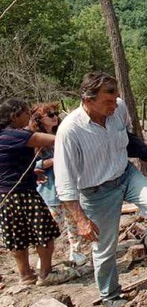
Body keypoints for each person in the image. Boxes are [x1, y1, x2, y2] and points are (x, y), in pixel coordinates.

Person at [54, 72, 147, 307]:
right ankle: (110, 294)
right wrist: (80, 220)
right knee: (104, 245)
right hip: (96, 191)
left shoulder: (118, 108)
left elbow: (127, 132)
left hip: (126, 174)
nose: (114, 105)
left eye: (115, 99)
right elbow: (64, 181)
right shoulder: (70, 131)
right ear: (87, 100)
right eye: (107, 101)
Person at [0, 98, 74, 286]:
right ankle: (46, 274)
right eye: (26, 113)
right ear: (14, 115)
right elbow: (57, 140)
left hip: (5, 194)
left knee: (17, 236)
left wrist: (32, 171)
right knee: (45, 232)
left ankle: (25, 275)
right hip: (23, 193)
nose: (29, 117)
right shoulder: (17, 135)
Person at [29, 103, 88, 266]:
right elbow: (32, 165)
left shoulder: (62, 134)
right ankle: (45, 260)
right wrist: (52, 161)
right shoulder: (34, 140)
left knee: (74, 223)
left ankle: (75, 252)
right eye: (50, 115)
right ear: (39, 120)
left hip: (70, 187)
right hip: (50, 190)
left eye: (56, 113)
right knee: (52, 226)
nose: (55, 116)